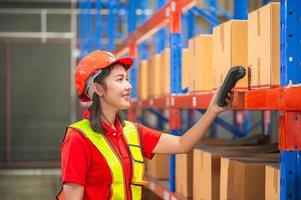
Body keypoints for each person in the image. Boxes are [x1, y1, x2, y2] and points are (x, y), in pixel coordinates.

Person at [57, 50, 233, 200]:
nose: (128, 86)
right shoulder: (79, 138)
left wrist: (212, 111)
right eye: (119, 80)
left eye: (127, 78)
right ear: (98, 88)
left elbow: (182, 144)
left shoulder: (133, 132)